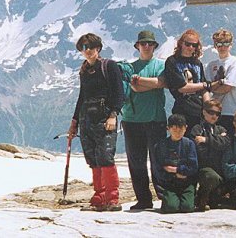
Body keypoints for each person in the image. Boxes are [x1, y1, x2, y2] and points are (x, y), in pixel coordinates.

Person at [68, 33, 124, 212]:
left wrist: (113, 115)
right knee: (93, 158)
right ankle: (99, 197)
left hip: (105, 118)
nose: (87, 51)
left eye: (90, 47)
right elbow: (81, 97)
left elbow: (119, 93)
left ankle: (112, 198)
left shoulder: (109, 66)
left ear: (98, 48)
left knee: (106, 157)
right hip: (87, 119)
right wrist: (74, 121)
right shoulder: (84, 70)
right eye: (84, 48)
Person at [118, 30, 167, 211]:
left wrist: (140, 83)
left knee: (158, 160)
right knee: (136, 162)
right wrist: (149, 84)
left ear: (154, 47)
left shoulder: (160, 65)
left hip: (154, 119)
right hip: (132, 120)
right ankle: (143, 199)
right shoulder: (130, 68)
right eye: (143, 43)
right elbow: (151, 84)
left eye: (150, 44)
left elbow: (162, 83)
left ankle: (164, 197)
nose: (146, 46)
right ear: (137, 46)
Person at [164, 29, 218, 132]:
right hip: (181, 110)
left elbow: (205, 89)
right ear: (181, 43)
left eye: (194, 45)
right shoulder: (172, 61)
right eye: (188, 44)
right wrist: (204, 85)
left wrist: (207, 107)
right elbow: (181, 87)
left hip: (198, 112)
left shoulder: (198, 63)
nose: (190, 48)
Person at [189, 99, 230, 211]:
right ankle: (202, 197)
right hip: (204, 168)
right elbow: (200, 151)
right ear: (204, 112)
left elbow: (226, 143)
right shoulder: (197, 129)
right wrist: (217, 143)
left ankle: (207, 198)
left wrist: (206, 140)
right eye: (211, 112)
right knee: (212, 177)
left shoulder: (221, 129)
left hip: (219, 168)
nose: (214, 116)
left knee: (217, 199)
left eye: (217, 113)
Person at [153, 114, 199, 213]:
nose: (178, 133)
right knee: (171, 207)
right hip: (170, 184)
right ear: (168, 128)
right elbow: (158, 169)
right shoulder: (161, 146)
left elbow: (193, 167)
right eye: (174, 130)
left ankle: (192, 198)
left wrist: (176, 170)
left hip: (187, 183)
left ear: (186, 128)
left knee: (187, 207)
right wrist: (173, 177)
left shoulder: (189, 144)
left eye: (180, 129)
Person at [205, 29, 236, 134]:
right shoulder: (211, 65)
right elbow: (207, 87)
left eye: (226, 44)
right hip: (215, 113)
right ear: (215, 46)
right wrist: (220, 83)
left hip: (231, 111)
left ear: (230, 45)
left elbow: (227, 87)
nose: (222, 47)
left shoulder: (235, 63)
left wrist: (214, 86)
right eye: (219, 44)